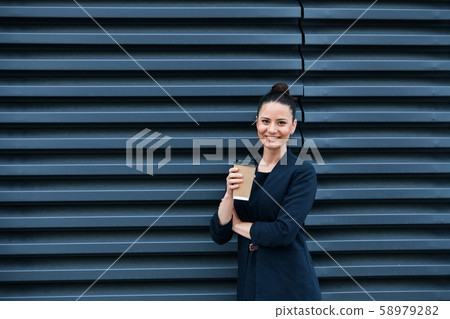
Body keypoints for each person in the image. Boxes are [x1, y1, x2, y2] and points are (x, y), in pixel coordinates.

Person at [210, 83, 322, 301]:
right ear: (256, 122)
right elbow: (219, 234)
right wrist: (228, 195)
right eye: (265, 121)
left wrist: (238, 225)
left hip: (289, 284)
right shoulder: (244, 169)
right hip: (250, 282)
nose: (272, 130)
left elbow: (283, 231)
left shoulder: (301, 172)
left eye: (281, 123)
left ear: (293, 126)